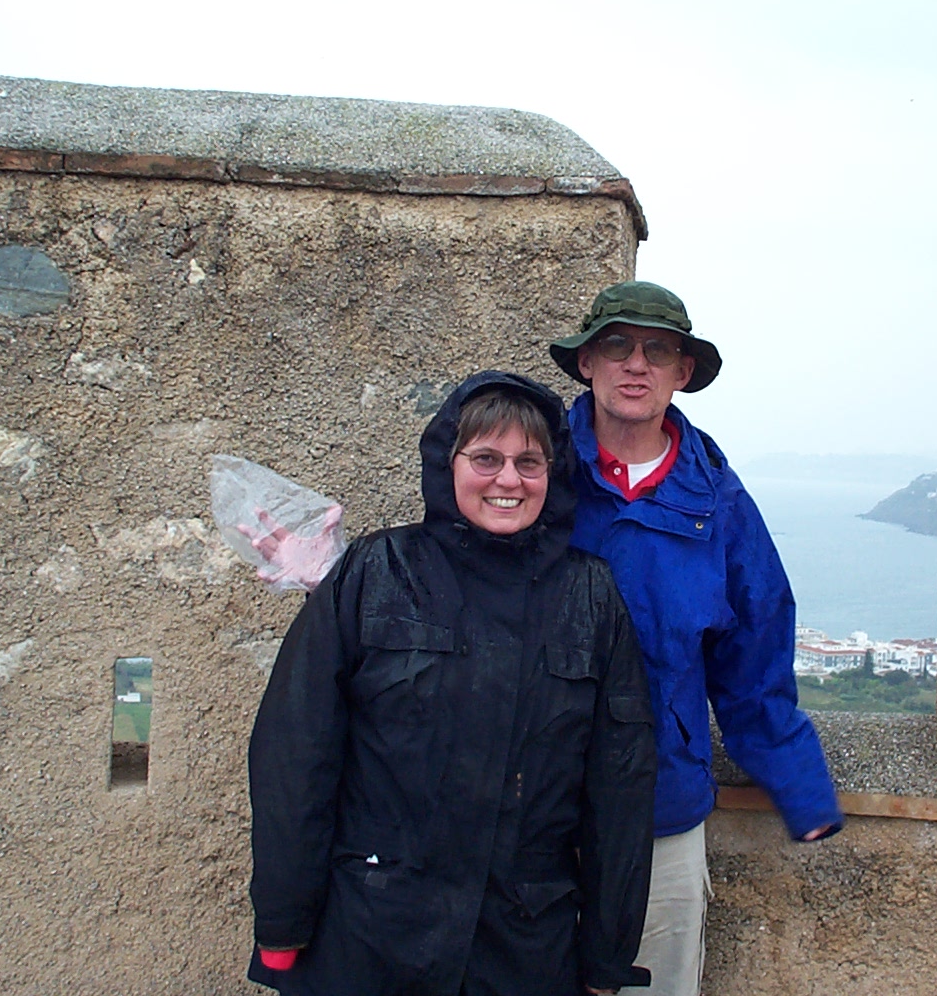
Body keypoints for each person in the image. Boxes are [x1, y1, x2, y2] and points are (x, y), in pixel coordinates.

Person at [247, 371, 657, 996]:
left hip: (523, 945)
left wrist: (608, 956)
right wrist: (283, 922)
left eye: (529, 462)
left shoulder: (592, 597)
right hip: (372, 932)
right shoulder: (374, 571)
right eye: (486, 458)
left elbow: (620, 788)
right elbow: (296, 755)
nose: (508, 480)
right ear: (448, 464)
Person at [549, 281, 843, 996]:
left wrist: (803, 791)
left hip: (661, 807)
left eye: (658, 350)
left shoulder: (720, 503)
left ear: (683, 372)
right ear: (586, 362)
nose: (636, 364)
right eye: (616, 344)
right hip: (535, 802)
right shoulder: (536, 469)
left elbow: (755, 655)